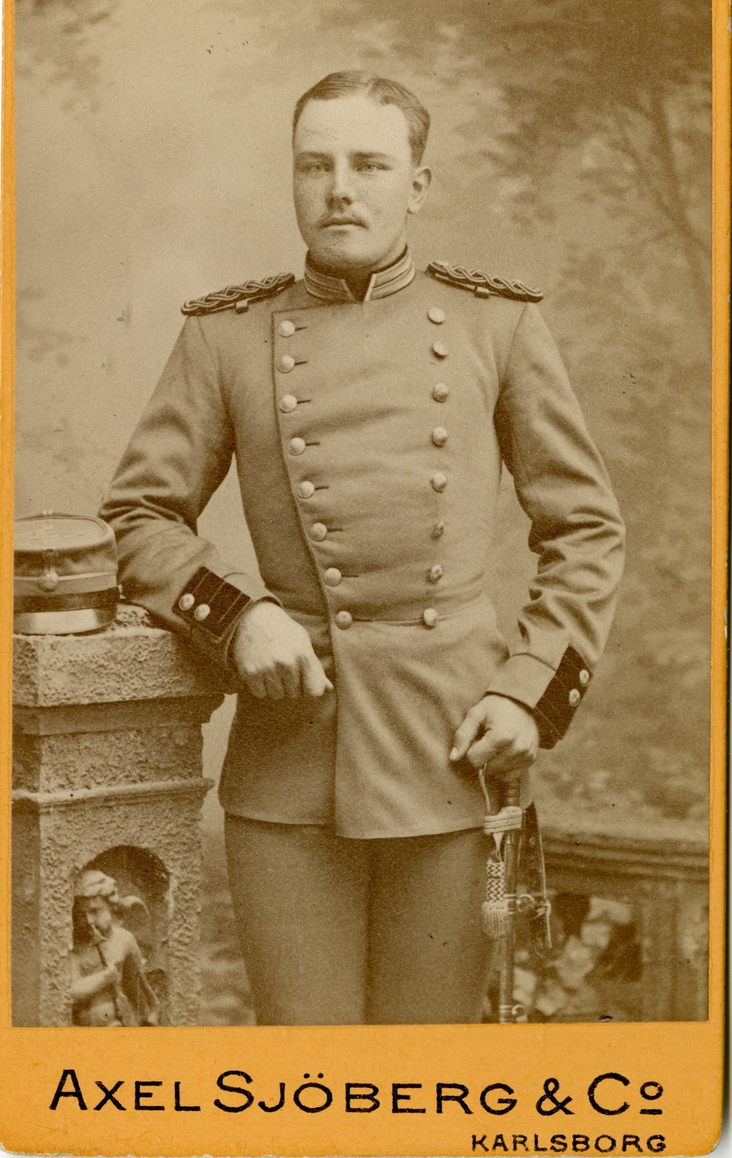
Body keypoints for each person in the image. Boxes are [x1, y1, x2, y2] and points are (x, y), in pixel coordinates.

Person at [100, 70, 624, 1026]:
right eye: (317, 165)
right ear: (294, 180)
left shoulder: (495, 324)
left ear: (416, 185)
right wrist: (239, 616)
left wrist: (529, 693)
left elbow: (584, 528)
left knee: (427, 1065)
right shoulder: (226, 336)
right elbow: (139, 516)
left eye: (369, 165)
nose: (340, 189)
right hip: (291, 754)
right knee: (312, 1066)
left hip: (458, 748)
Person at [69, 871, 158, 1027]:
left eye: (95, 911)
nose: (89, 920)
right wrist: (104, 978)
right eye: (82, 915)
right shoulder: (75, 948)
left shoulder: (124, 940)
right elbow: (71, 992)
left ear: (111, 907)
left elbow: (138, 986)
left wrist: (151, 1012)